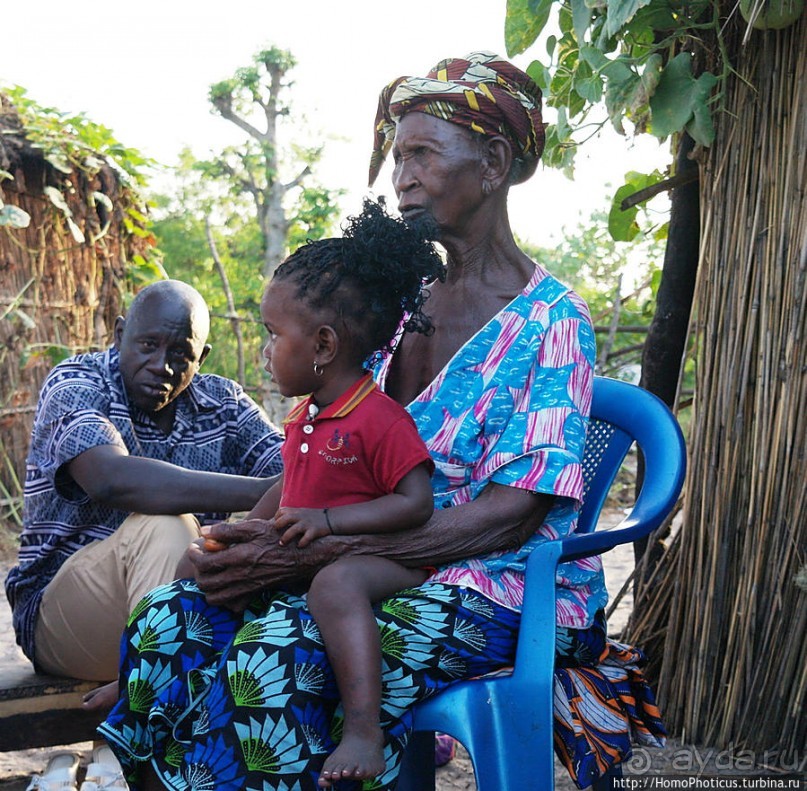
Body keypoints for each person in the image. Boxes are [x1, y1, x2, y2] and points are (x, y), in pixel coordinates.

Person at [98, 52, 665, 791]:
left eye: (422, 154)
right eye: (399, 156)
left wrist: (313, 555)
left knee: (278, 652)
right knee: (176, 615)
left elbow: (510, 515)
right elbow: (333, 441)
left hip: (495, 585)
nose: (402, 175)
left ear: (493, 161)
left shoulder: (551, 322)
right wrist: (263, 538)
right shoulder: (399, 304)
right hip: (362, 568)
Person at [220, 198, 441, 787]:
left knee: (334, 583)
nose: (266, 350)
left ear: (322, 345)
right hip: (329, 552)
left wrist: (331, 522)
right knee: (206, 568)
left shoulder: (381, 419)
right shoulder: (307, 416)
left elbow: (416, 504)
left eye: (272, 335)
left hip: (387, 561)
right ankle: (148, 678)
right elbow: (286, 490)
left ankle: (364, 730)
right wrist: (239, 531)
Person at [3, 279, 284, 683]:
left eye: (180, 354)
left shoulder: (224, 404)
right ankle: (147, 717)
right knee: (166, 525)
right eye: (148, 345)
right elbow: (110, 479)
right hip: (64, 619)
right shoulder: (78, 383)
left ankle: (143, 703)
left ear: (201, 357)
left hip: (186, 616)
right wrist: (264, 490)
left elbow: (296, 466)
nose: (161, 365)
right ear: (119, 335)